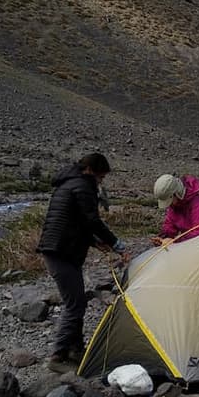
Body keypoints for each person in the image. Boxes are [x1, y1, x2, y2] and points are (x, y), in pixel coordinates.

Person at [37, 152, 128, 372]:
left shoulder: (69, 183)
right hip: (61, 253)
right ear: (92, 170)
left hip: (61, 250)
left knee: (77, 302)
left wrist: (96, 243)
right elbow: (92, 220)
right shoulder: (83, 186)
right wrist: (115, 243)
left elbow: (77, 222)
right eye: (101, 177)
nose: (100, 181)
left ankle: (75, 350)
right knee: (75, 304)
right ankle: (58, 357)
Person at [152, 174, 199, 245]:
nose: (169, 205)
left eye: (170, 200)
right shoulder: (176, 205)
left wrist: (174, 242)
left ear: (177, 193)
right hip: (190, 244)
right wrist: (163, 238)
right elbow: (170, 224)